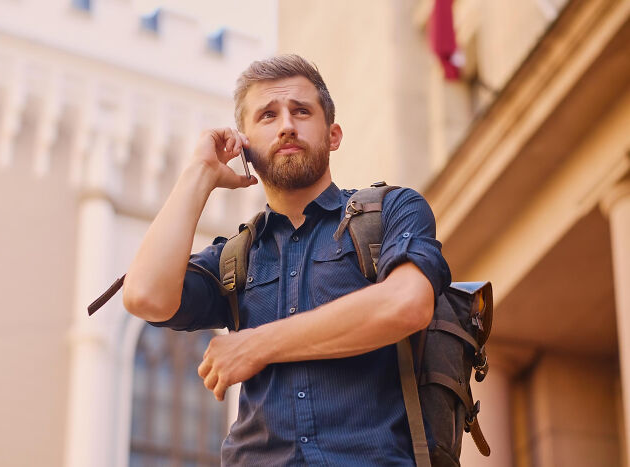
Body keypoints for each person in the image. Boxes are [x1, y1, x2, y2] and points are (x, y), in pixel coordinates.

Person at [123, 54, 451, 466]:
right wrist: (200, 172)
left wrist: (257, 345)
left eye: (301, 111)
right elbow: (144, 297)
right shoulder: (235, 258)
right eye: (267, 116)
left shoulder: (392, 211)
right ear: (244, 145)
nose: (286, 126)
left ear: (332, 134)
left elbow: (407, 303)